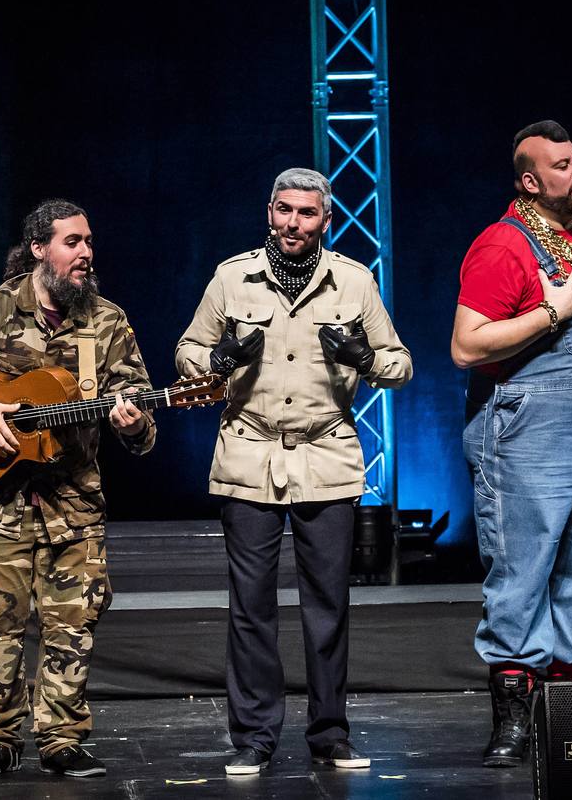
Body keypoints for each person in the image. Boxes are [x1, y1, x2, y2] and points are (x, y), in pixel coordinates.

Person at [0, 199, 155, 779]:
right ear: (39, 247)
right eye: (72, 242)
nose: (86, 253)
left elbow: (141, 418)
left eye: (89, 242)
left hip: (75, 504)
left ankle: (62, 740)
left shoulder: (108, 322)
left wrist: (136, 423)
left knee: (73, 624)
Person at [175, 168, 411, 776]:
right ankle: (253, 736)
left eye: (307, 214)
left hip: (325, 453)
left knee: (327, 602)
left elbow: (400, 363)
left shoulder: (353, 282)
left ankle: (330, 733)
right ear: (269, 211)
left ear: (325, 221)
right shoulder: (233, 276)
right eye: (284, 210)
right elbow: (187, 352)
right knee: (250, 604)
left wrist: (362, 356)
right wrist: (222, 358)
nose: (293, 223)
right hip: (250, 451)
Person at [450, 120, 572, 767]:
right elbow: (465, 345)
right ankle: (512, 718)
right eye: (561, 166)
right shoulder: (501, 246)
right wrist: (550, 312)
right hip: (525, 434)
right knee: (523, 568)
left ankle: (567, 710)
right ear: (529, 182)